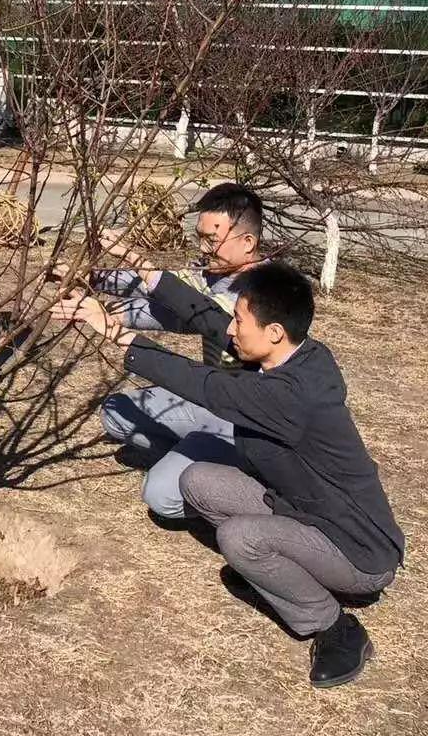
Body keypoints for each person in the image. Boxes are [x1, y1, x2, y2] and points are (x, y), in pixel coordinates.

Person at [58, 262, 404, 688]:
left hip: (356, 550)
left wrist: (116, 332)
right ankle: (282, 570)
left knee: (239, 539)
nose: (232, 328)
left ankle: (335, 628)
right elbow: (209, 318)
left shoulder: (286, 397)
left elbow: (201, 383)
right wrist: (151, 275)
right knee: (197, 481)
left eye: (241, 319)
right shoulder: (301, 354)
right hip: (303, 510)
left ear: (274, 331)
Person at [87, 182, 265, 519]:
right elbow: (163, 300)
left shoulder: (263, 295)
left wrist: (134, 261)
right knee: (116, 412)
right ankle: (192, 456)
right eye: (200, 236)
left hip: (243, 420)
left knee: (161, 497)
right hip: (206, 397)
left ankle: (232, 480)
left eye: (212, 240)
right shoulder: (211, 274)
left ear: (247, 242)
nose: (204, 248)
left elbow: (187, 305)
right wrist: (90, 280)